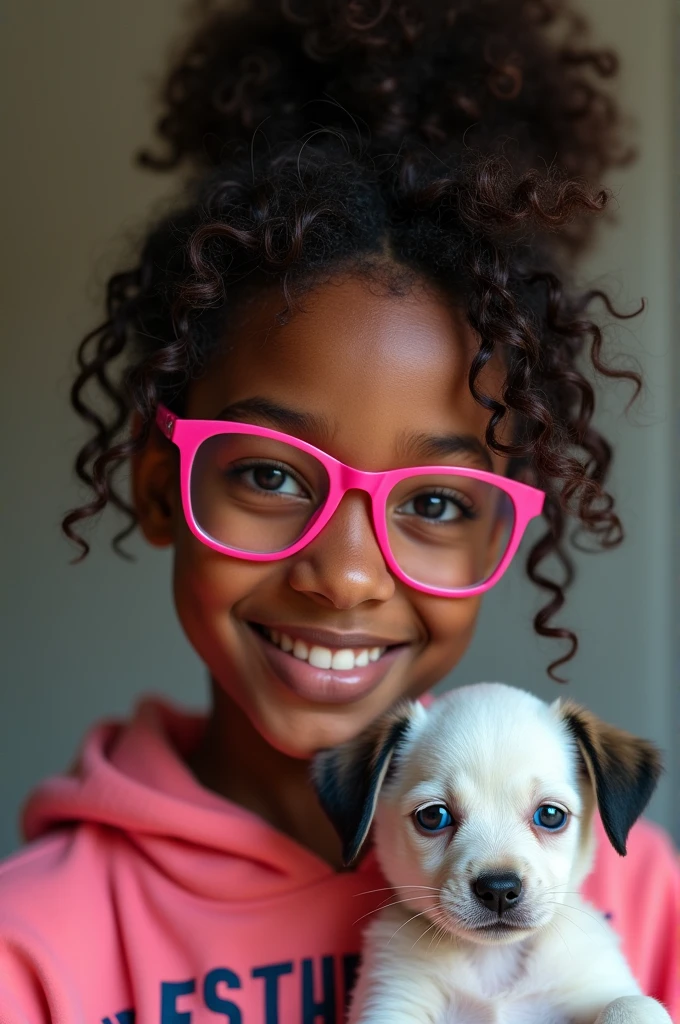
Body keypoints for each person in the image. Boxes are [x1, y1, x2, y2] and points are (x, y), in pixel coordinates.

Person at [1, 2, 678, 1022]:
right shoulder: (34, 948)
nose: (346, 573)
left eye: (439, 500)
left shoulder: (629, 891)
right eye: (273, 474)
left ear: (505, 529)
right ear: (156, 481)